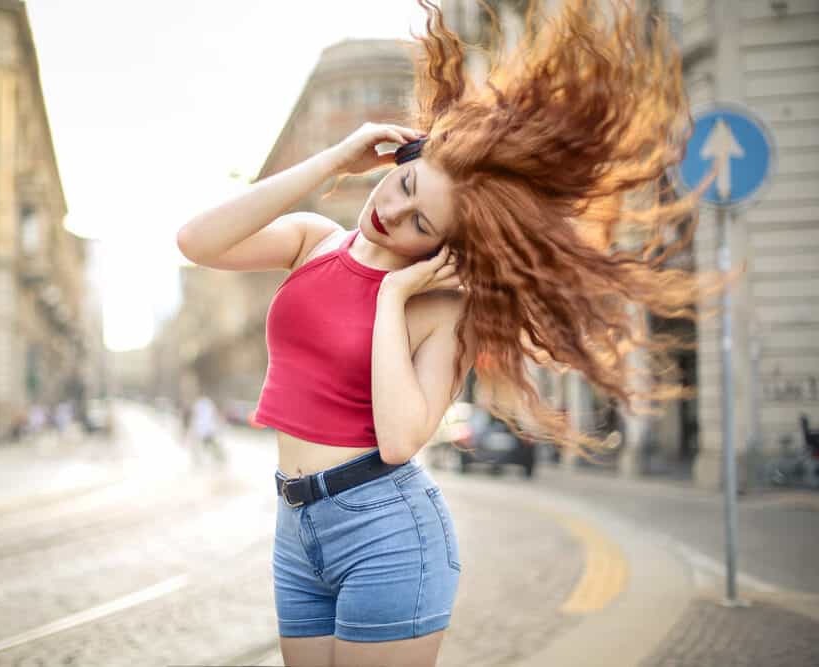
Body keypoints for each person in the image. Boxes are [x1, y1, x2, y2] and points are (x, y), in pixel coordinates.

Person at [176, 1, 707, 664]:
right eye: (401, 184)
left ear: (447, 245)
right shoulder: (316, 240)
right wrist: (334, 160)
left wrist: (394, 297)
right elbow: (196, 240)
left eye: (420, 222)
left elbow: (400, 440)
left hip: (385, 531)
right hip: (295, 525)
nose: (390, 211)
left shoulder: (443, 310)